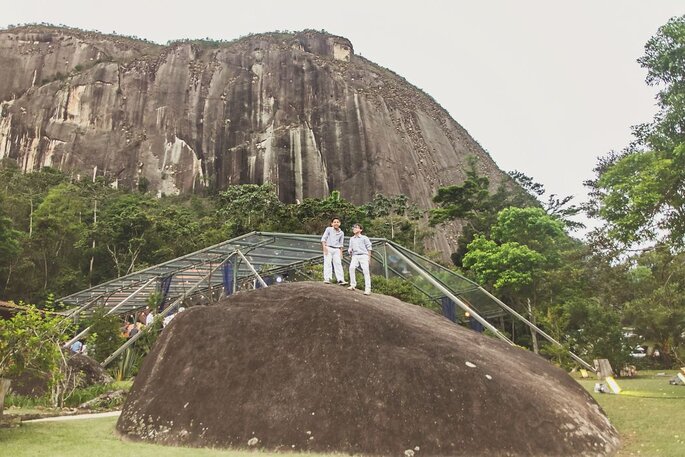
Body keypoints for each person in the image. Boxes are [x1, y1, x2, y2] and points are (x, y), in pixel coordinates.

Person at [347, 223, 372, 295]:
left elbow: (369, 248)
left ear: (361, 230)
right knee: (351, 268)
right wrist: (350, 251)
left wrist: (369, 258)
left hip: (364, 255)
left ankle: (368, 289)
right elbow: (350, 247)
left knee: (365, 271)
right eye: (354, 227)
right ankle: (353, 285)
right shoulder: (351, 239)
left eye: (357, 227)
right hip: (355, 256)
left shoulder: (364, 238)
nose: (354, 229)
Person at [320, 217, 347, 285]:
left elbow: (341, 243)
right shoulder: (328, 229)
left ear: (340, 223)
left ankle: (340, 279)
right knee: (328, 263)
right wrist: (324, 248)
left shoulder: (341, 233)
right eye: (334, 222)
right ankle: (327, 278)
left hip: (337, 249)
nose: (336, 223)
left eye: (337, 222)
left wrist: (341, 253)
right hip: (328, 247)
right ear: (332, 223)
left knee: (338, 264)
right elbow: (324, 238)